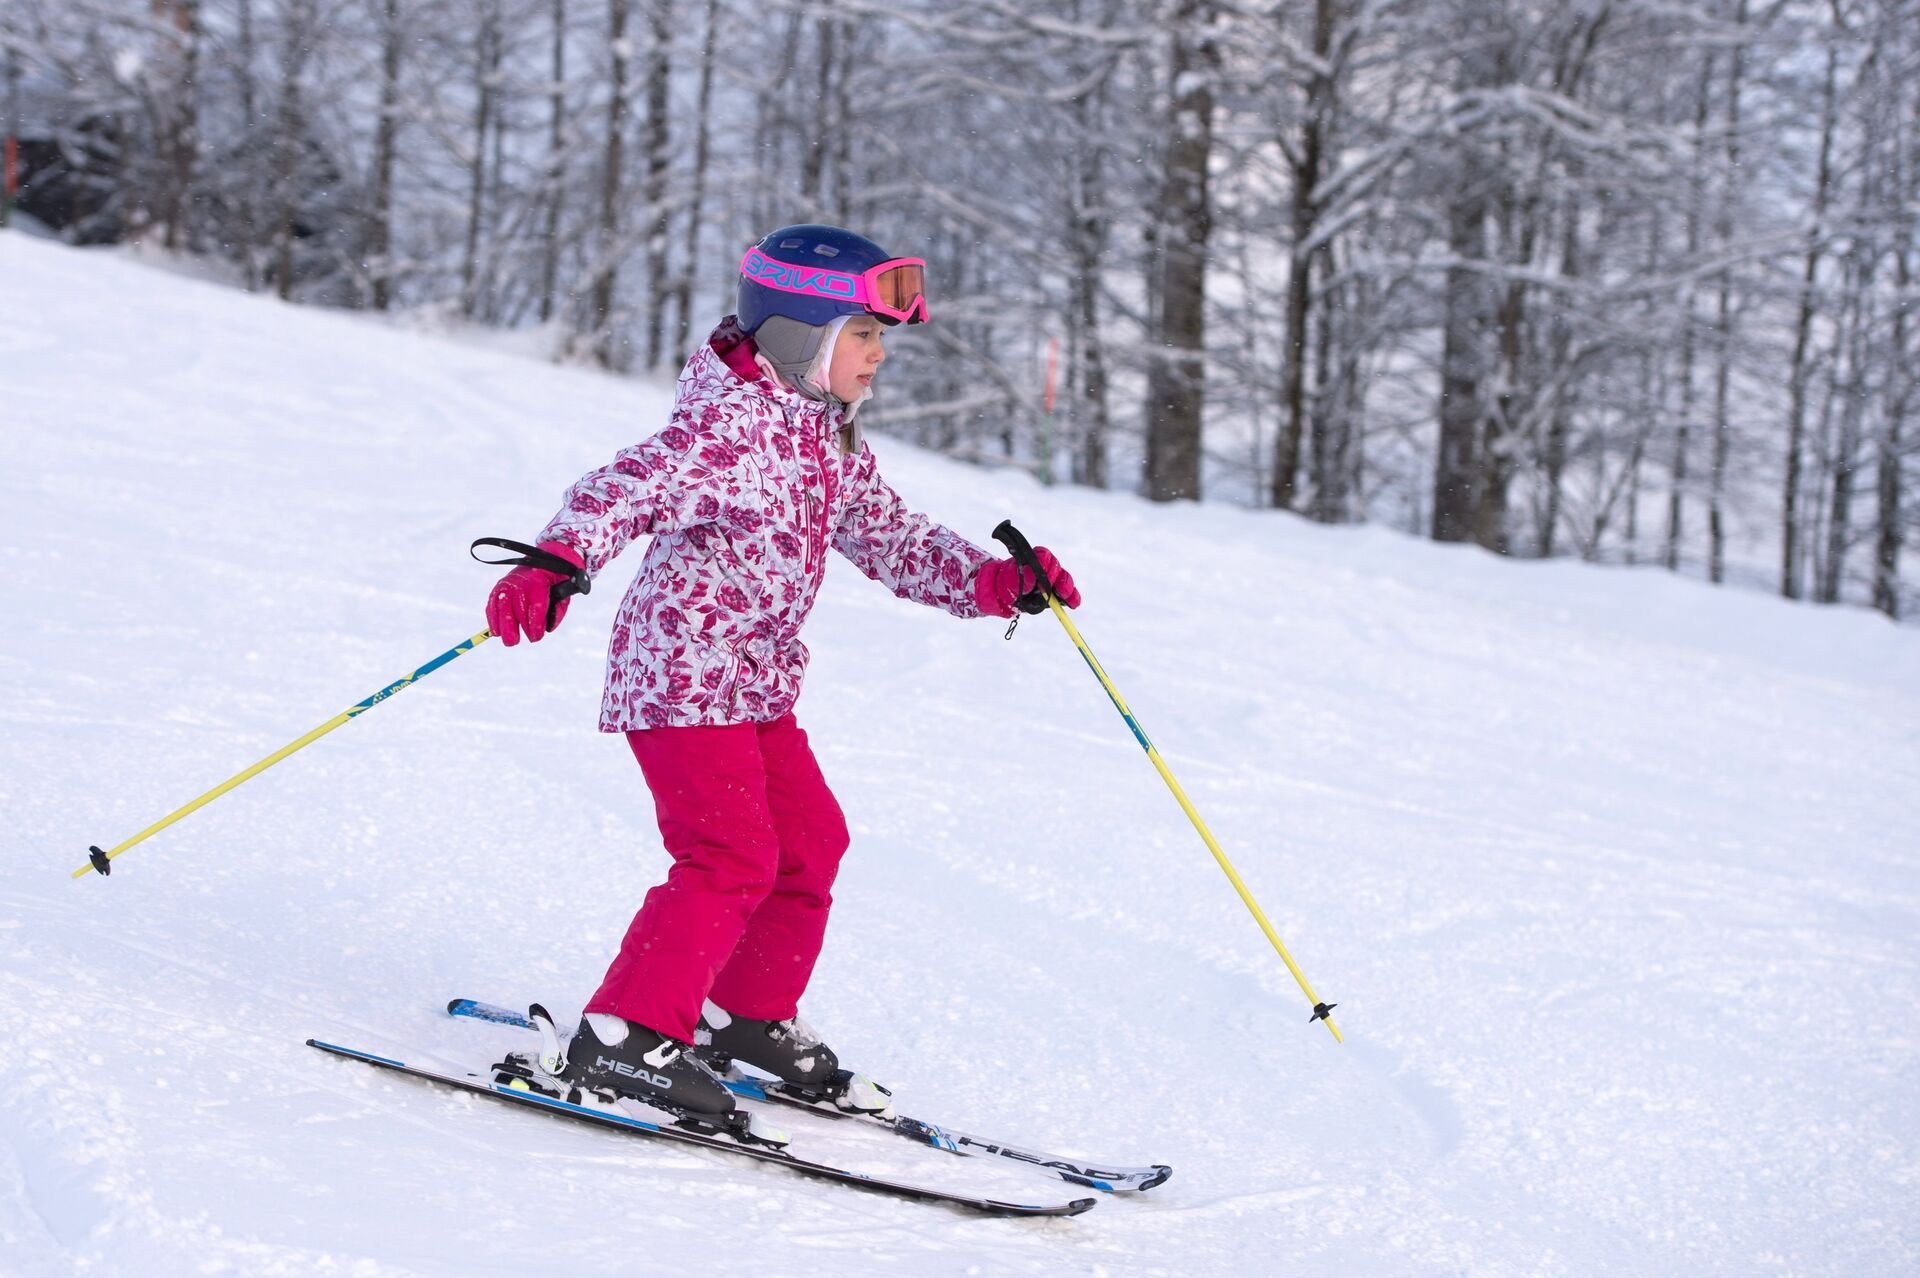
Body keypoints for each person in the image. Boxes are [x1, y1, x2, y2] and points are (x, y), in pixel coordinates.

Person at [485, 224, 1080, 1121]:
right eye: (865, 335)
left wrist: (996, 583)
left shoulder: (825, 437)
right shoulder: (725, 431)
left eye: (881, 338)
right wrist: (556, 560)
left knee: (809, 845)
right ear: (804, 337)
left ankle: (742, 1015)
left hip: (756, 682)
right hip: (682, 678)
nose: (880, 356)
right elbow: (621, 488)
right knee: (728, 855)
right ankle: (626, 1037)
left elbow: (891, 536)